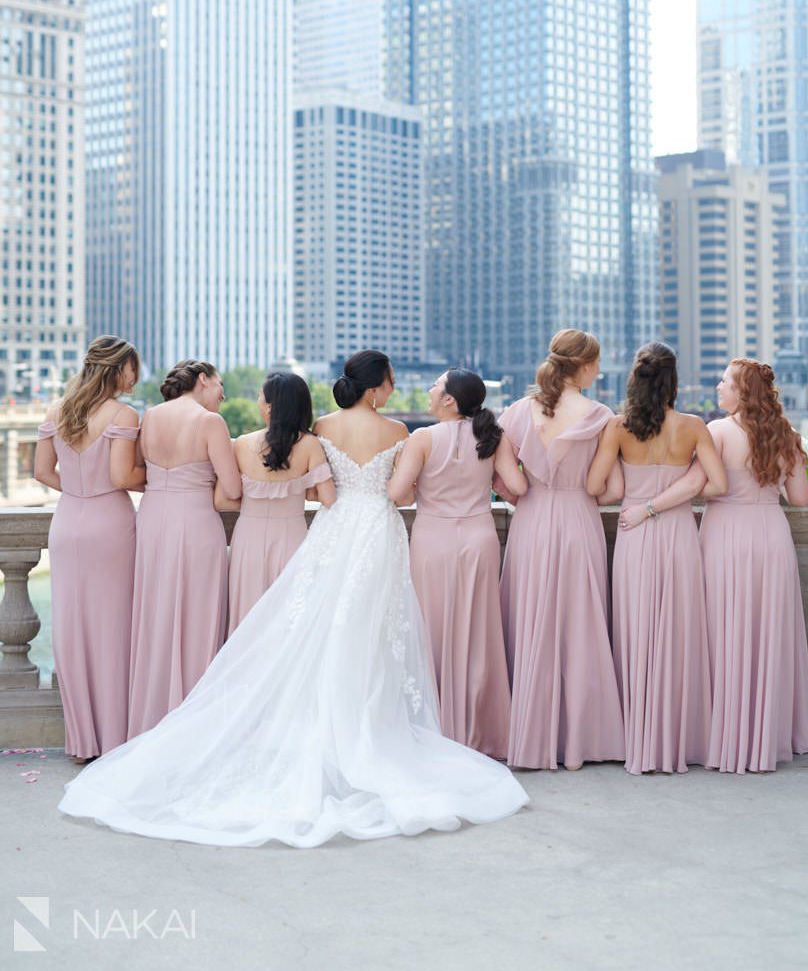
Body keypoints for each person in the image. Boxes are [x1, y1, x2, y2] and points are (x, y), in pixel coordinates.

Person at [58, 350, 528, 847]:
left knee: (315, 626)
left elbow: (307, 485)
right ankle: (364, 723)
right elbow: (398, 494)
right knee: (372, 631)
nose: (393, 390)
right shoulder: (398, 434)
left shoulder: (322, 426)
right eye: (390, 382)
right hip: (377, 533)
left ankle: (311, 726)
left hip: (333, 529)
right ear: (376, 390)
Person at [644, 359, 808, 772]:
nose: (718, 386)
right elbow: (800, 499)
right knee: (767, 633)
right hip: (772, 538)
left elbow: (697, 488)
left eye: (724, 381)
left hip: (725, 538)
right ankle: (764, 737)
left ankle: (724, 736)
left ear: (741, 391)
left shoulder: (718, 432)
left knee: (722, 633)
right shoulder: (787, 435)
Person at [587, 341, 727, 775]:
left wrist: (630, 488)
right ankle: (679, 738)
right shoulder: (694, 427)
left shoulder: (617, 427)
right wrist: (687, 479)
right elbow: (717, 485)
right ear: (674, 381)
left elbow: (598, 488)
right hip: (679, 534)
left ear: (635, 378)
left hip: (634, 530)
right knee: (679, 633)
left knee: (636, 630)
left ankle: (638, 737)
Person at [497, 329, 625, 770]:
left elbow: (501, 480)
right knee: (580, 624)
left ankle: (530, 735)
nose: (600, 370)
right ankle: (578, 744)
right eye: (597, 363)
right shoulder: (601, 415)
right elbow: (610, 489)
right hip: (577, 520)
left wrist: (525, 495)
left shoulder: (516, 411)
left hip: (531, 520)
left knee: (531, 618)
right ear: (583, 366)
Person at [388, 368, 526, 758]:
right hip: (480, 539)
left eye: (435, 385)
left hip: (433, 539)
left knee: (430, 628)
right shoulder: (493, 436)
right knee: (478, 632)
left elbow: (398, 496)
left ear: (448, 399)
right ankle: (480, 729)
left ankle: (432, 724)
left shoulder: (423, 438)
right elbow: (517, 488)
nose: (430, 390)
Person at [34, 336, 143, 762]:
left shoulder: (56, 411)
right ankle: (114, 738)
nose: (136, 376)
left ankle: (81, 743)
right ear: (118, 369)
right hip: (109, 522)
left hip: (68, 523)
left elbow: (42, 472)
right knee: (114, 628)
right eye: (133, 368)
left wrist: (79, 490)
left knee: (72, 628)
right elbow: (123, 478)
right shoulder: (124, 414)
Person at [127, 359, 241, 738]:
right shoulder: (211, 423)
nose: (223, 394)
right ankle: (195, 718)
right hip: (195, 520)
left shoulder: (150, 417)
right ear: (203, 379)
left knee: (157, 613)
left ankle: (154, 716)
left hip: (153, 518)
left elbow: (137, 470)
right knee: (199, 613)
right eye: (220, 384)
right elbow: (233, 488)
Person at [217, 372, 335, 636]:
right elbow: (328, 499)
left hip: (248, 537)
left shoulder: (242, 444)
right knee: (287, 619)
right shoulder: (310, 445)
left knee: (248, 616)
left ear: (270, 406)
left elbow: (221, 499)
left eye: (260, 397)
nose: (258, 401)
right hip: (292, 538)